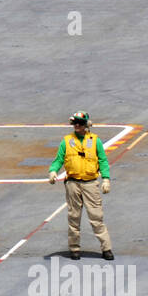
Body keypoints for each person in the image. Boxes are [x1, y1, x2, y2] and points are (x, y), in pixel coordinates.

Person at [47, 111, 113, 261]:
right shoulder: (66, 141)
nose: (76, 125)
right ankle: (74, 249)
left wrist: (106, 179)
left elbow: (102, 160)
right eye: (75, 123)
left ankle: (106, 248)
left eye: (80, 123)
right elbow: (59, 159)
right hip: (73, 183)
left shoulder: (95, 141)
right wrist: (53, 171)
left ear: (85, 125)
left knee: (96, 217)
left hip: (90, 183)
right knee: (74, 217)